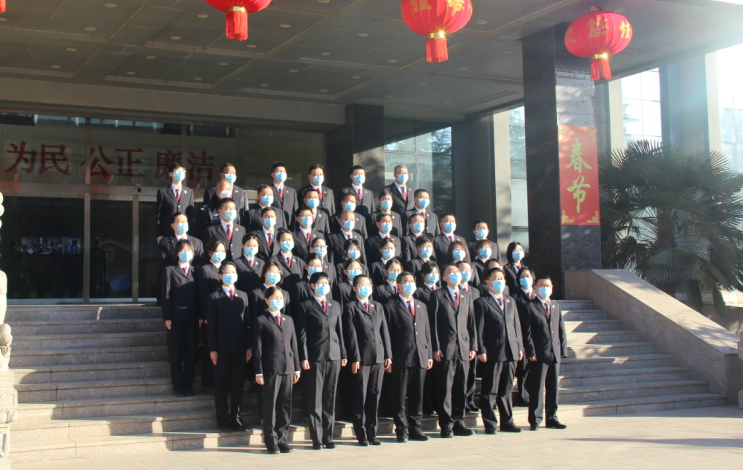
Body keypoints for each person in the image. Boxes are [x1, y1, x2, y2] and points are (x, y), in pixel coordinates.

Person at [295, 272, 346, 449]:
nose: (324, 285)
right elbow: (302, 335)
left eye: (326, 282)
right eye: (320, 283)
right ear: (313, 285)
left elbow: (340, 332)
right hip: (315, 356)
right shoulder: (305, 306)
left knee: (330, 397)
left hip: (334, 355)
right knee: (315, 397)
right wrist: (303, 357)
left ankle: (328, 436)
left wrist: (343, 354)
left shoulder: (335, 305)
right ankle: (316, 437)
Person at [383, 271, 432, 442]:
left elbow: (426, 331)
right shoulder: (390, 305)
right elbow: (387, 333)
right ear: (398, 285)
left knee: (417, 394)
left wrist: (428, 354)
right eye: (406, 281)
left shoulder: (421, 305)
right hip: (401, 356)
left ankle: (415, 427)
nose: (410, 284)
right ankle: (401, 429)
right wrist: (388, 356)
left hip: (420, 355)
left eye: (412, 281)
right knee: (399, 395)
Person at [428, 263, 477, 438]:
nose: (456, 274)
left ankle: (459, 421)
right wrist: (435, 347)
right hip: (445, 348)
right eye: (451, 272)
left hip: (463, 348)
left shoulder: (466, 295)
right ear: (444, 277)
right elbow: (433, 324)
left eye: (457, 271)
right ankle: (446, 424)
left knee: (461, 386)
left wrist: (473, 346)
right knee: (445, 387)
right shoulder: (437, 295)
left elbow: (471, 323)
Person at [343, 274, 392, 446]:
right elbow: (351, 334)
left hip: (378, 356)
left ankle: (372, 432)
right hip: (362, 358)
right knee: (360, 395)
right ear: (355, 288)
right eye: (361, 285)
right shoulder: (350, 307)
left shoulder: (377, 306)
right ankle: (361, 433)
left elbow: (384, 331)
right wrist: (355, 358)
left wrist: (388, 355)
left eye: (368, 284)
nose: (365, 287)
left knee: (374, 395)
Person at [475, 268, 523, 434]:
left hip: (511, 351)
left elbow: (516, 326)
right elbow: (479, 329)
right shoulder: (482, 302)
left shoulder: (510, 301)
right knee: (490, 389)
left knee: (506, 390)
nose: (500, 281)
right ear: (487, 282)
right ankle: (490, 423)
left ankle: (507, 421)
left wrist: (519, 347)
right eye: (496, 278)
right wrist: (481, 350)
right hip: (493, 351)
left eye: (502, 278)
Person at [253, 286, 301, 454]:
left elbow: (294, 344)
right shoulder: (261, 320)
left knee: (285, 404)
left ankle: (282, 438)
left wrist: (297, 368)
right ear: (267, 300)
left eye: (280, 298)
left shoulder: (289, 320)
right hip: (271, 368)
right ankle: (270, 439)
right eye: (274, 298)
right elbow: (258, 348)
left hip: (288, 367)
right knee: (270, 405)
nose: (278, 301)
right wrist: (258, 371)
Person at [207, 262, 251, 433]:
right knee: (222, 385)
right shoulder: (214, 297)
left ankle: (236, 419)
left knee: (238, 385)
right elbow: (211, 325)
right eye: (227, 272)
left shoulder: (243, 296)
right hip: (222, 348)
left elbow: (247, 323)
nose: (230, 275)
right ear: (220, 276)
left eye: (233, 272)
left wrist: (249, 347)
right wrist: (213, 349)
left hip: (240, 347)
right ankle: (223, 419)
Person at [521, 276, 568, 431]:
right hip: (538, 354)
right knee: (537, 387)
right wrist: (530, 352)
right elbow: (527, 333)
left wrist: (562, 350)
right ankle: (535, 419)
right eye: (541, 285)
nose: (545, 288)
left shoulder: (555, 306)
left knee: (553, 387)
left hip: (554, 352)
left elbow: (561, 329)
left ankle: (552, 417)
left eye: (548, 285)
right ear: (535, 288)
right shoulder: (529, 306)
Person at [161, 239, 200, 397]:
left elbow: (199, 295)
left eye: (188, 250)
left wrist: (200, 315)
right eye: (183, 250)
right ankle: (178, 386)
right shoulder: (169, 270)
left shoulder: (196, 271)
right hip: (175, 319)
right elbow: (166, 296)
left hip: (192, 318)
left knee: (191, 354)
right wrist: (167, 317)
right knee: (175, 354)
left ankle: (188, 386)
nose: (186, 253)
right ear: (177, 253)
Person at [195, 239, 228, 395]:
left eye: (223, 251)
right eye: (217, 251)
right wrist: (205, 315)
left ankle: (220, 381)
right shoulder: (205, 270)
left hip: (225, 316)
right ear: (209, 252)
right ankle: (207, 382)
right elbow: (203, 295)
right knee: (210, 349)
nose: (220, 254)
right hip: (211, 316)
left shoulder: (226, 268)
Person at [157, 212, 204, 303]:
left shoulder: (197, 242)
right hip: (174, 283)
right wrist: (177, 272)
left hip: (192, 281)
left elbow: (200, 262)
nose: (183, 224)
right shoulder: (165, 242)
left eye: (185, 222)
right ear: (172, 225)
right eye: (180, 222)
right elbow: (164, 262)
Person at [457, 260, 480, 412]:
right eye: (462, 270)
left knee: (472, 371)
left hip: (473, 334)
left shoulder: (475, 291)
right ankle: (461, 401)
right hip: (459, 336)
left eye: (468, 270)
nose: (466, 272)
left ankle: (470, 398)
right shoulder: (454, 291)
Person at [512, 267, 536, 407]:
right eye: (522, 276)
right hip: (522, 335)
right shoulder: (515, 297)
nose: (526, 279)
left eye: (528, 276)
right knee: (524, 368)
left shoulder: (537, 295)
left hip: (537, 336)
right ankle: (525, 396)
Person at [156, 162, 194, 242]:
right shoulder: (163, 192)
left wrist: (190, 233)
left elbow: (191, 214)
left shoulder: (189, 192)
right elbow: (159, 215)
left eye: (182, 171)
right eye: (178, 171)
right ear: (170, 174)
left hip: (185, 234)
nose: (180, 174)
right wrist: (159, 234)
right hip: (168, 233)